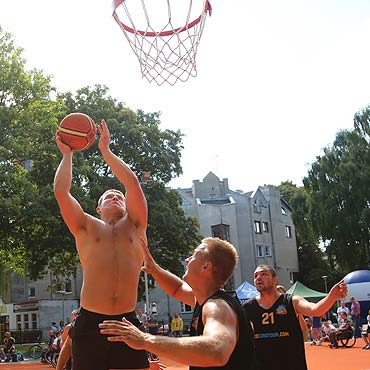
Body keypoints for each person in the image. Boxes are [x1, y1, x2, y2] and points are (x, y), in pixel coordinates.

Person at [54, 119, 149, 370]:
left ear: (128, 205)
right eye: (109, 196)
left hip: (127, 321)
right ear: (98, 208)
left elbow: (132, 184)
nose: (116, 196)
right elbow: (62, 192)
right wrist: (67, 155)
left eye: (119, 196)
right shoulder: (86, 226)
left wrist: (106, 150)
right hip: (91, 321)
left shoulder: (136, 225)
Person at [99, 237, 256, 370]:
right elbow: (177, 288)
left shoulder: (217, 307)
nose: (187, 260)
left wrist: (145, 340)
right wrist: (154, 269)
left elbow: (216, 351)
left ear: (206, 267)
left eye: (193, 256)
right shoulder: (203, 300)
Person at [243, 264, 347, 370]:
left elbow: (315, 310)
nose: (258, 278)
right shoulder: (247, 307)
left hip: (291, 364)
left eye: (264, 274)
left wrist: (332, 296)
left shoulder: (292, 301)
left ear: (275, 280)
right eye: (256, 275)